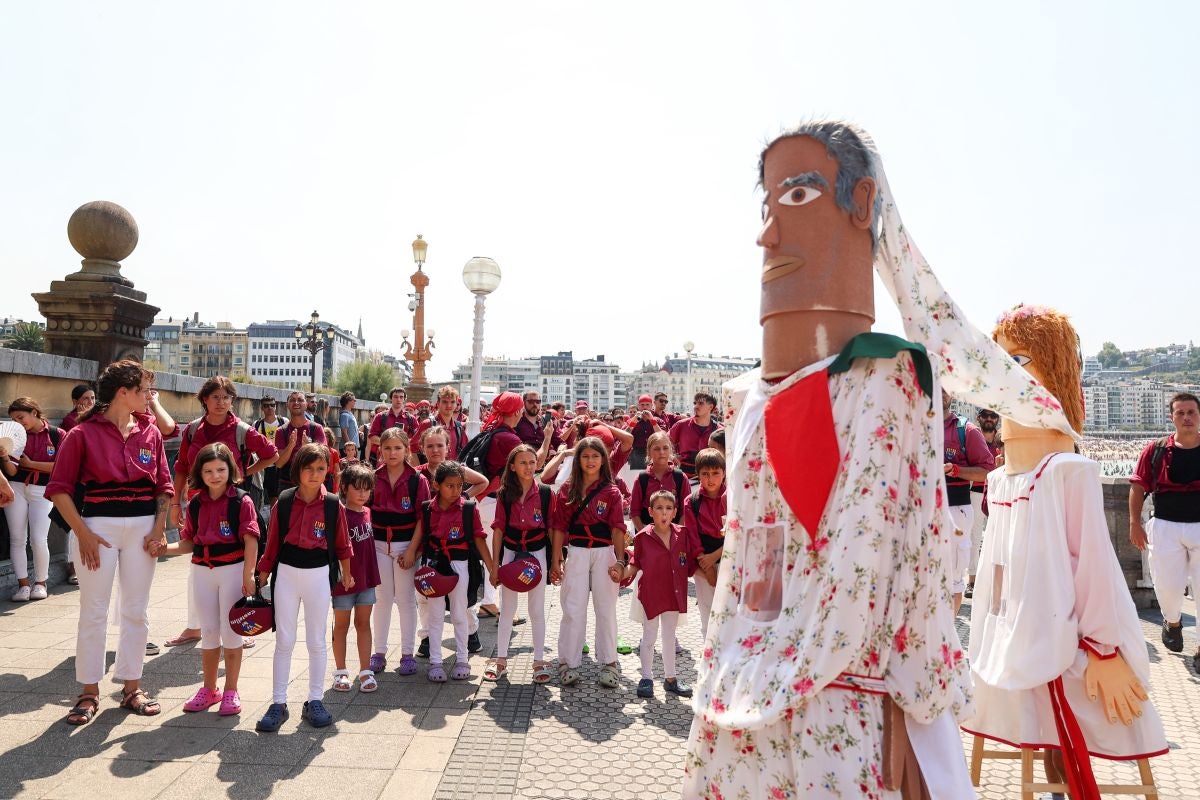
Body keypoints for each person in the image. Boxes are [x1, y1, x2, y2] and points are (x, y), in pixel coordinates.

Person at [685, 120, 1040, 797]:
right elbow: (753, 558)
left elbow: (875, 565)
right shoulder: (746, 399)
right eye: (765, 208)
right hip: (748, 692)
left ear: (863, 203)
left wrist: (766, 670)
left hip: (839, 706)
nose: (767, 236)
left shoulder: (887, 377)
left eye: (795, 200)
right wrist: (743, 660)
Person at [965, 305, 1167, 796]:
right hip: (1011, 647)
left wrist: (1103, 648)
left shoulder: (1065, 471)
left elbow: (1095, 568)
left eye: (1021, 360)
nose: (1005, 374)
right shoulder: (1000, 477)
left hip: (1071, 646)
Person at [46, 360, 173, 725]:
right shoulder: (82, 435)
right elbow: (59, 490)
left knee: (136, 608)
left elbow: (163, 485)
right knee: (94, 610)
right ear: (124, 393)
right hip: (97, 528)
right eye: (144, 391)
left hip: (142, 528)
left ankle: (132, 686)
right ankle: (88, 691)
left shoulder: (148, 431)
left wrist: (159, 528)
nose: (150, 398)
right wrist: (82, 533)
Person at [168, 376, 278, 647]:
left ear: (232, 400)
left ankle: (239, 623)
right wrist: (174, 501)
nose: (221, 402)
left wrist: (243, 474)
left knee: (235, 564)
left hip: (232, 503)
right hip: (198, 503)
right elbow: (181, 465)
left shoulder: (241, 430)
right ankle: (196, 626)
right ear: (204, 399)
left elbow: (272, 454)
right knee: (198, 564)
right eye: (215, 397)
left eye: (226, 397)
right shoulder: (193, 430)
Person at [153, 443, 258, 716]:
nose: (215, 475)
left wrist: (249, 574)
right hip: (202, 570)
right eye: (209, 470)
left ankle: (231, 690)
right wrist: (165, 549)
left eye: (221, 469)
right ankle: (209, 688)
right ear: (200, 472)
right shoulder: (197, 502)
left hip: (233, 570)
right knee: (209, 631)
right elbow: (189, 543)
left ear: (230, 470)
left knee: (232, 630)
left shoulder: (241, 501)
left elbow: (251, 540)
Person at [255, 443, 354, 732]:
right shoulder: (284, 501)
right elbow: (272, 543)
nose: (314, 474)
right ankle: (278, 703)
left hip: (318, 574)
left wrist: (346, 575)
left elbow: (343, 545)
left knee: (316, 640)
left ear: (328, 471)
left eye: (320, 469)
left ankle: (314, 700)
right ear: (297, 470)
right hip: (286, 573)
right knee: (284, 639)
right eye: (308, 469)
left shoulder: (333, 504)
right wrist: (261, 574)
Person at [1130, 392, 1200, 671]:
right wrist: (1135, 523)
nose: (1186, 417)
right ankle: (1172, 623)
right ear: (1172, 417)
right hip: (1165, 526)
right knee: (1167, 587)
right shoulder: (1156, 450)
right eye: (1181, 412)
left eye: (1191, 412)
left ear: (1199, 415)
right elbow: (1137, 487)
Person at [549, 436, 626, 689]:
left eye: (595, 456)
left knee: (606, 609)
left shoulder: (611, 491)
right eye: (585, 456)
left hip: (605, 553)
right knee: (573, 608)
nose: (590, 461)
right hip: (577, 551)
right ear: (578, 460)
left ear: (603, 459)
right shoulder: (567, 489)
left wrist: (621, 560)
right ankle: (567, 663)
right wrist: (556, 560)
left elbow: (617, 528)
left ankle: (610, 662)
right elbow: (559, 527)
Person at [614, 490, 699, 699]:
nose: (664, 512)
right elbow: (635, 564)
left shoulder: (683, 534)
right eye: (659, 508)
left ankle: (671, 679)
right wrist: (621, 573)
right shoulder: (643, 537)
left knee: (669, 637)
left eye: (669, 508)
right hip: (651, 595)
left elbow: (690, 562)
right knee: (649, 637)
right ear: (650, 512)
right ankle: (646, 677)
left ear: (675, 512)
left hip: (673, 593)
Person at [420, 460, 496, 682]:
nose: (455, 491)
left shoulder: (468, 508)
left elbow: (480, 539)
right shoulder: (427, 508)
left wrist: (493, 568)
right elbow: (420, 538)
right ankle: (435, 661)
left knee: (460, 612)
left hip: (460, 564)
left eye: (459, 485)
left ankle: (462, 658)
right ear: (437, 485)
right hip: (434, 566)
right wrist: (409, 558)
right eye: (449, 486)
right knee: (434, 614)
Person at [486, 444, 555, 684]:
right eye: (523, 462)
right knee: (507, 609)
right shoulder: (505, 493)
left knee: (537, 610)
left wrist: (556, 561)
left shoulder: (545, 493)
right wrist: (495, 566)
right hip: (511, 552)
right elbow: (497, 531)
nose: (528, 467)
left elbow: (554, 530)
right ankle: (501, 660)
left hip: (537, 554)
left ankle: (538, 661)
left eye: (532, 462)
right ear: (512, 467)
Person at [368, 428, 430, 677]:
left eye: (397, 448)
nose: (392, 453)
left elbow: (422, 519)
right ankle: (379, 652)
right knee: (381, 599)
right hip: (379, 545)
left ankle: (406, 654)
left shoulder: (417, 480)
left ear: (407, 450)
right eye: (387, 448)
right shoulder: (372, 477)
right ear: (380, 450)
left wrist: (413, 550)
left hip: (406, 546)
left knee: (405, 600)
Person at [941, 390, 995, 613]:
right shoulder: (914, 425)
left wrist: (955, 470)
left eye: (946, 389)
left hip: (956, 508)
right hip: (921, 509)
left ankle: (949, 638)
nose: (942, 392)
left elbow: (986, 470)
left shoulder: (966, 430)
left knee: (953, 579)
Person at [2, 398, 61, 601]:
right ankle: (23, 585)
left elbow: (61, 466)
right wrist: (3, 456)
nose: (18, 422)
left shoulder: (56, 434)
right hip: (16, 487)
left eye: (21, 417)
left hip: (43, 490)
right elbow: (11, 470)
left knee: (38, 538)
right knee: (17, 538)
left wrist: (31, 464)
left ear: (34, 412)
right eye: (13, 419)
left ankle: (41, 583)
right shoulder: (15, 436)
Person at [475, 392, 527, 619]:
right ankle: (506, 608)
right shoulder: (510, 439)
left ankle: (489, 602)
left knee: (491, 554)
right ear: (516, 411)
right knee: (504, 554)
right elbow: (529, 468)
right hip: (495, 502)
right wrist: (547, 439)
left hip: (484, 500)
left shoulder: (493, 432)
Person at [331, 463, 381, 693]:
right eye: (357, 488)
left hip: (366, 579)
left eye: (366, 489)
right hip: (344, 581)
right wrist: (345, 573)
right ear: (344, 488)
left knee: (363, 624)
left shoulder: (368, 512)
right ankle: (340, 671)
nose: (362, 494)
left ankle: (365, 670)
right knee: (341, 626)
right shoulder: (339, 513)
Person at [684, 448, 726, 639]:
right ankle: (708, 653)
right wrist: (706, 565)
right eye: (705, 474)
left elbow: (736, 531)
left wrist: (715, 557)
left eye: (716, 473)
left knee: (729, 608)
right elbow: (692, 536)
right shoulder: (691, 501)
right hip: (702, 562)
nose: (711, 479)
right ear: (698, 475)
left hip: (728, 556)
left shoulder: (732, 498)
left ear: (724, 473)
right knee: (707, 610)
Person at [966, 408, 1003, 598]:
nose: (990, 419)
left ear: (997, 419)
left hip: (999, 492)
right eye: (986, 416)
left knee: (999, 537)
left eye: (993, 416)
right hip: (977, 491)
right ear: (979, 418)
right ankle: (972, 581)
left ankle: (995, 582)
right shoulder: (973, 437)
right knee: (974, 538)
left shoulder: (1003, 439)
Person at [630, 431, 690, 530]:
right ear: (649, 452)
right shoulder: (642, 479)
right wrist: (644, 535)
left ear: (671, 450)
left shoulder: (680, 478)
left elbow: (685, 511)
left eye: (665, 448)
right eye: (657, 449)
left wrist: (678, 534)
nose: (661, 452)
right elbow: (634, 511)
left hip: (674, 533)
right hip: (646, 531)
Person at [274, 391, 327, 493]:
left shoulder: (316, 428)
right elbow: (279, 464)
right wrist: (290, 446)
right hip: (287, 483)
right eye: (292, 400)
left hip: (312, 481)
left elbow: (324, 458)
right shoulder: (281, 431)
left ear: (306, 404)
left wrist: (308, 448)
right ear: (287, 405)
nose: (296, 403)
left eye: (300, 400)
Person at [668, 392, 722, 479]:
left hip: (710, 478)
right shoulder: (682, 425)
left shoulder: (719, 430)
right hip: (684, 476)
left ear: (711, 407)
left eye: (700, 403)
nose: (695, 406)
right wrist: (673, 456)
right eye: (695, 403)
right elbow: (665, 441)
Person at [367, 387, 419, 464]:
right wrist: (389, 442)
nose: (398, 399)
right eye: (395, 397)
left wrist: (402, 443)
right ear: (391, 398)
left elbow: (417, 439)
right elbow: (372, 437)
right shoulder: (380, 417)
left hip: (405, 460)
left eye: (401, 397)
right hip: (384, 459)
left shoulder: (411, 418)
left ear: (404, 399)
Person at [417, 386, 469, 461]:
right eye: (445, 402)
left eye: (452, 402)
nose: (449, 405)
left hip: (452, 471)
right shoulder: (428, 424)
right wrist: (419, 471)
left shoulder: (459, 428)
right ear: (438, 403)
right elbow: (412, 449)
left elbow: (465, 451)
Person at [252, 396, 286, 504]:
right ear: (262, 408)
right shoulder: (256, 424)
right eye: (266, 406)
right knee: (259, 495)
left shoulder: (284, 421)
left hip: (279, 465)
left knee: (275, 496)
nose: (270, 408)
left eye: (272, 405)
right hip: (262, 465)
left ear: (276, 406)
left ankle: (273, 519)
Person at [627, 395, 663, 471]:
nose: (645, 407)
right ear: (638, 406)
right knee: (637, 480)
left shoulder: (658, 420)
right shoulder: (632, 420)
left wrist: (652, 420)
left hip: (654, 453)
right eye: (642, 405)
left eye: (647, 405)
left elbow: (663, 436)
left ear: (651, 406)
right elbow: (624, 435)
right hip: (636, 455)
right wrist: (633, 422)